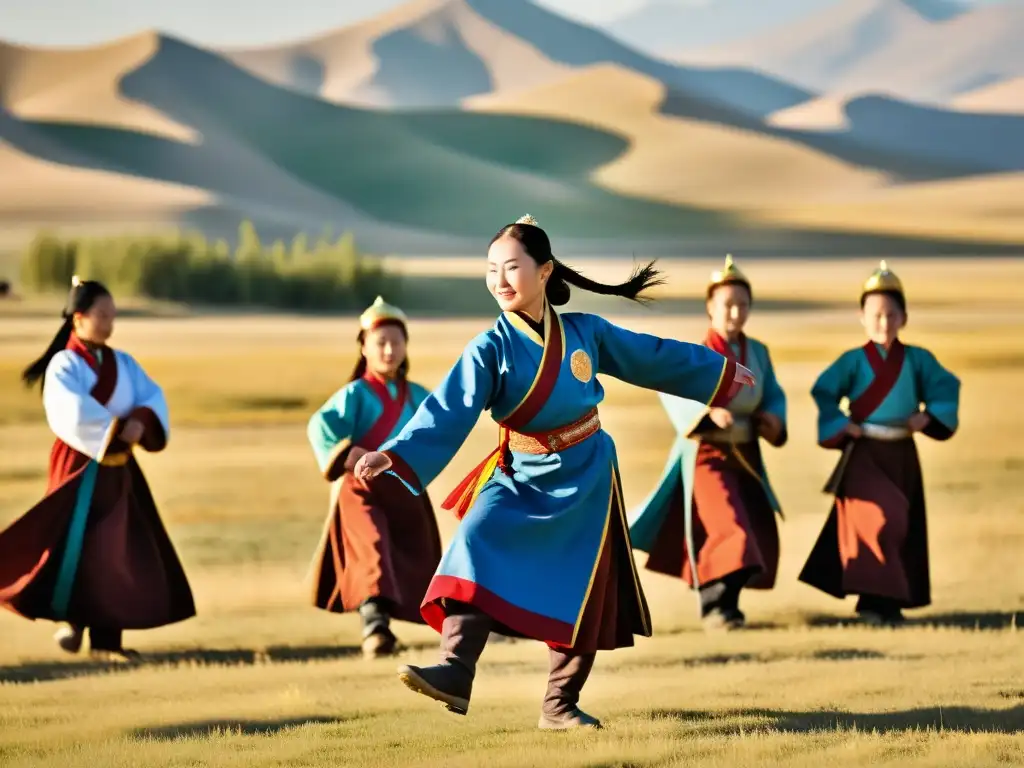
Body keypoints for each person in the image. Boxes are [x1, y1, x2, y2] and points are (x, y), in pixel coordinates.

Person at [353, 215, 755, 730]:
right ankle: (455, 669)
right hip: (518, 473)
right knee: (474, 542)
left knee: (583, 592)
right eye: (491, 269)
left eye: (511, 267)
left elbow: (651, 355)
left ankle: (560, 705)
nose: (499, 279)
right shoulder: (489, 347)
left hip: (587, 473)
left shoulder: (586, 332)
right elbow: (448, 409)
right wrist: (395, 452)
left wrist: (717, 373)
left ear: (544, 272)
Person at [0, 276, 194, 662]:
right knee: (71, 546)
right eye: (102, 314)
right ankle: (73, 620)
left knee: (114, 549)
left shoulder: (122, 363)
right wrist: (118, 427)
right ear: (78, 317)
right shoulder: (64, 365)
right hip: (78, 466)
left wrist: (142, 418)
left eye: (112, 315)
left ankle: (106, 642)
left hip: (118, 469)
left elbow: (151, 396)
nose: (109, 323)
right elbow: (68, 410)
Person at [629, 255, 786, 630]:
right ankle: (717, 608)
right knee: (729, 526)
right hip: (707, 454)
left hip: (746, 453)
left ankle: (726, 606)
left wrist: (771, 418)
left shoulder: (759, 352)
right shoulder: (698, 353)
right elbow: (673, 387)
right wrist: (708, 413)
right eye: (727, 305)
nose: (735, 313)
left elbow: (773, 394)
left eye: (742, 305)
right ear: (710, 308)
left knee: (749, 527)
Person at [799, 261, 960, 625]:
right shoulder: (852, 361)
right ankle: (875, 603)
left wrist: (929, 415)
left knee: (900, 524)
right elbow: (823, 391)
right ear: (862, 316)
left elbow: (946, 387)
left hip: (902, 452)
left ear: (904, 317)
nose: (884, 323)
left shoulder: (918, 359)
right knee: (879, 519)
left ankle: (882, 604)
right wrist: (842, 423)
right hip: (865, 453)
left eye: (891, 314)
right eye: (876, 314)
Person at [306, 296, 442, 659]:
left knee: (413, 560)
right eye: (380, 341)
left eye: (396, 341)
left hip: (405, 488)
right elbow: (321, 427)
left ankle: (458, 622)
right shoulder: (354, 394)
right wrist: (349, 454)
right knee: (372, 550)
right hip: (363, 487)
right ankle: (375, 628)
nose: (388, 349)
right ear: (363, 347)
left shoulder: (418, 396)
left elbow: (439, 428)